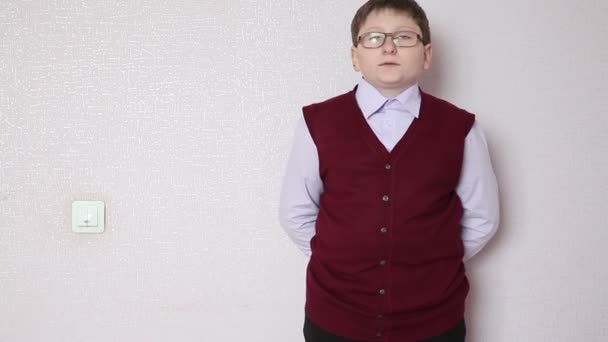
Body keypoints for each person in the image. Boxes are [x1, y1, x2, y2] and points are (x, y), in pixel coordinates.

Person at [279, 0, 500, 341]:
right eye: (374, 38)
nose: (388, 46)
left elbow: (482, 218)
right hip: (334, 318)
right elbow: (296, 213)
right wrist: (340, 258)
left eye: (404, 37)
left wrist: (429, 261)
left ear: (427, 54)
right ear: (355, 56)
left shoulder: (460, 128)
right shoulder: (318, 123)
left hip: (434, 322)